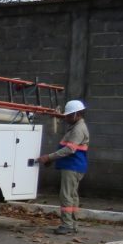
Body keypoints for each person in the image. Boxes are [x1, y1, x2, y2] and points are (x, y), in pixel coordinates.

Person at [38, 100, 90, 235]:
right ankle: (72, 224)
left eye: (69, 115)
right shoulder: (77, 125)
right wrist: (58, 116)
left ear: (77, 114)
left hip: (72, 166)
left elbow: (69, 150)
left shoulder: (78, 129)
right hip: (75, 166)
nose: (66, 118)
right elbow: (68, 119)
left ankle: (67, 225)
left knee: (66, 196)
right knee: (72, 196)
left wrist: (49, 157)